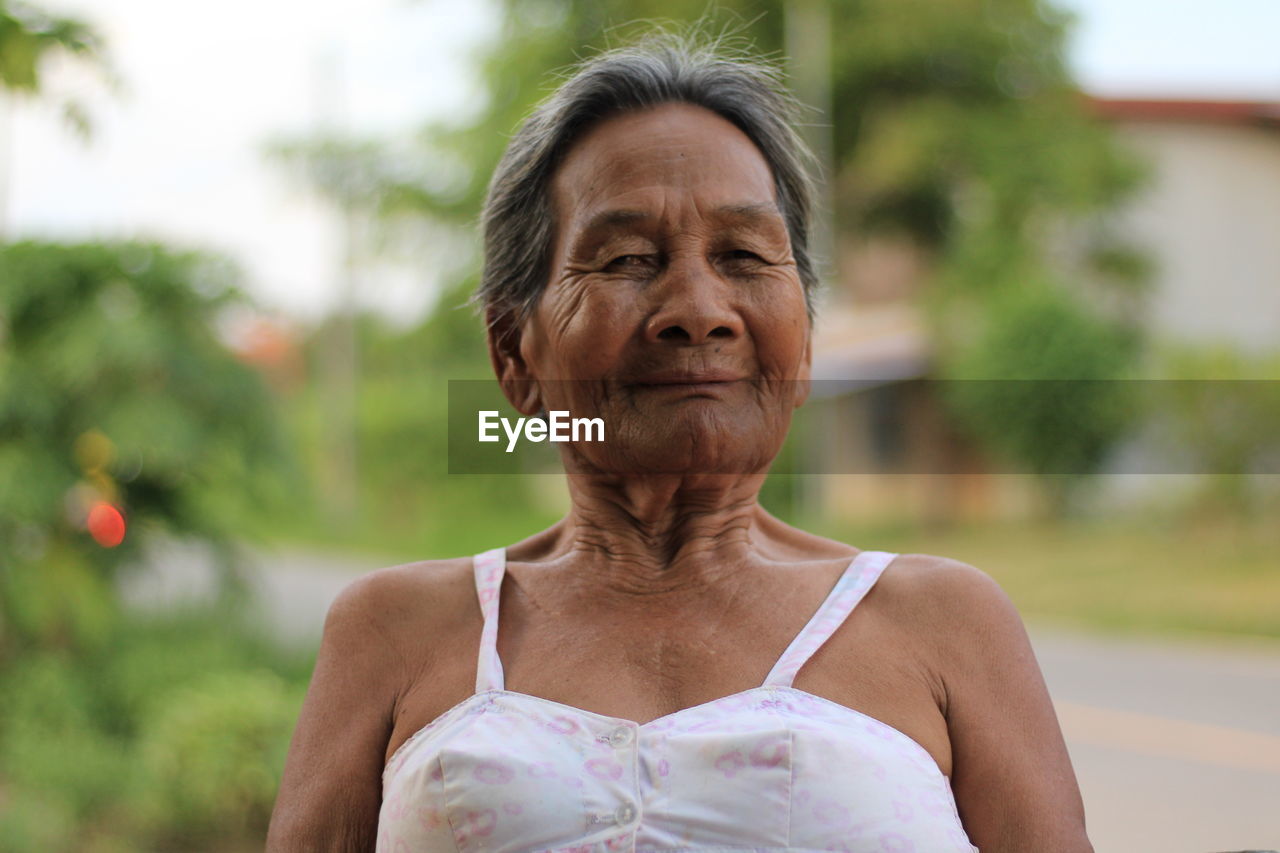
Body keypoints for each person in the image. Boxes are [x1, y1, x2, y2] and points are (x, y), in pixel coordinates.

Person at [267, 33, 1092, 853]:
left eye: (742, 255)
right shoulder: (394, 632)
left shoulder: (944, 622)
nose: (697, 307)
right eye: (628, 258)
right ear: (513, 353)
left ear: (802, 341)